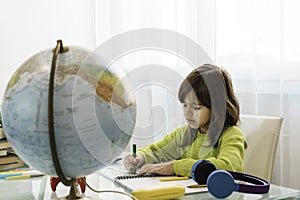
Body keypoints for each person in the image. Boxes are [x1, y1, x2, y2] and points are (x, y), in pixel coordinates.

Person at [123, 64, 246, 177]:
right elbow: (156, 151)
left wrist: (175, 167)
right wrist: (140, 157)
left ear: (217, 107)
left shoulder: (231, 135)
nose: (188, 112)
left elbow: (227, 167)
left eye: (196, 107)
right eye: (184, 105)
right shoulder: (185, 133)